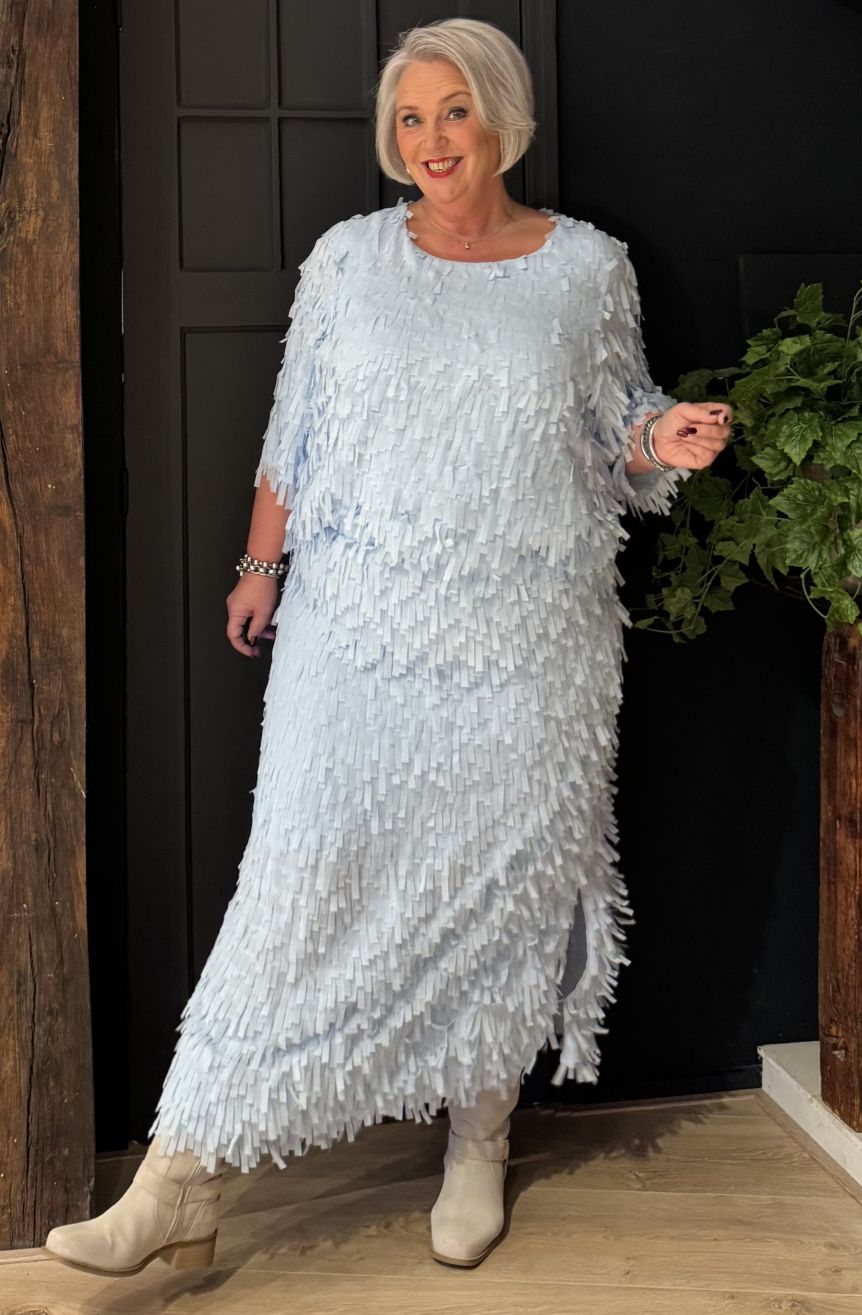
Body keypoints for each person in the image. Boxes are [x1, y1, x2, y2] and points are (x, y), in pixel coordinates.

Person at [45, 17, 730, 1277]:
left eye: (453, 112)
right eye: (410, 119)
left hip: (528, 640)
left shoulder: (588, 268)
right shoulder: (349, 261)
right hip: (355, 629)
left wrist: (662, 436)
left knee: (504, 882)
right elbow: (294, 429)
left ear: (503, 117)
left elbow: (610, 425)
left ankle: (479, 1138)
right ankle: (179, 1179)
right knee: (296, 882)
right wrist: (261, 565)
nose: (431, 141)